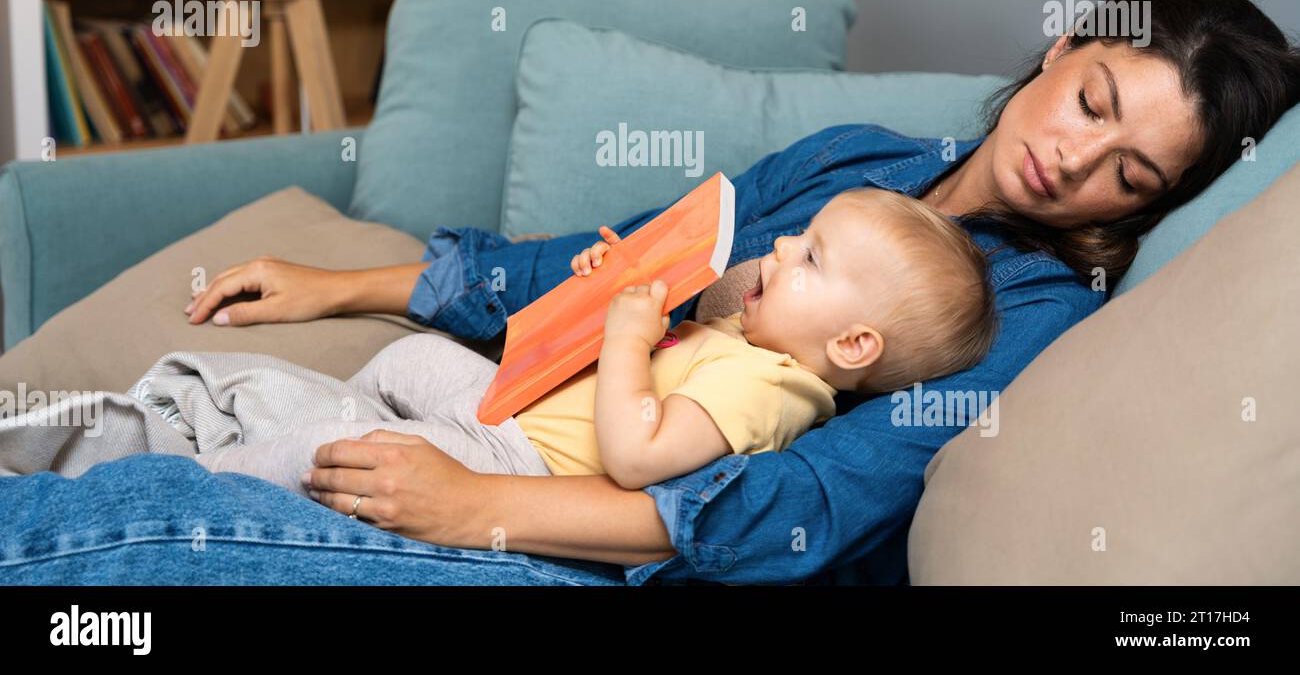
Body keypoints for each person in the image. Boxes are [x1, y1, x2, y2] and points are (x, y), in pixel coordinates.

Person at [2, 0, 1297, 585]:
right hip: (503, 432)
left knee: (158, 532)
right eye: (1091, 100)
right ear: (1068, 40)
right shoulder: (864, 161)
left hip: (585, 543)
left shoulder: (1028, 319)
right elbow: (616, 264)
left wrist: (479, 515)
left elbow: (822, 500)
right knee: (182, 422)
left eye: (1130, 174)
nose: (1072, 158)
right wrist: (348, 284)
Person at [191, 189, 999, 495]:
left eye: (811, 258)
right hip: (512, 409)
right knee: (407, 359)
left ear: (854, 347)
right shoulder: (753, 334)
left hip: (524, 465)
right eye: (801, 238)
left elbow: (637, 456)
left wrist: (625, 335)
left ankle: (206, 479)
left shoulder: (774, 390)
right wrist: (608, 285)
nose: (781, 249)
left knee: (336, 447)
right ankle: (334, 408)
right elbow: (623, 347)